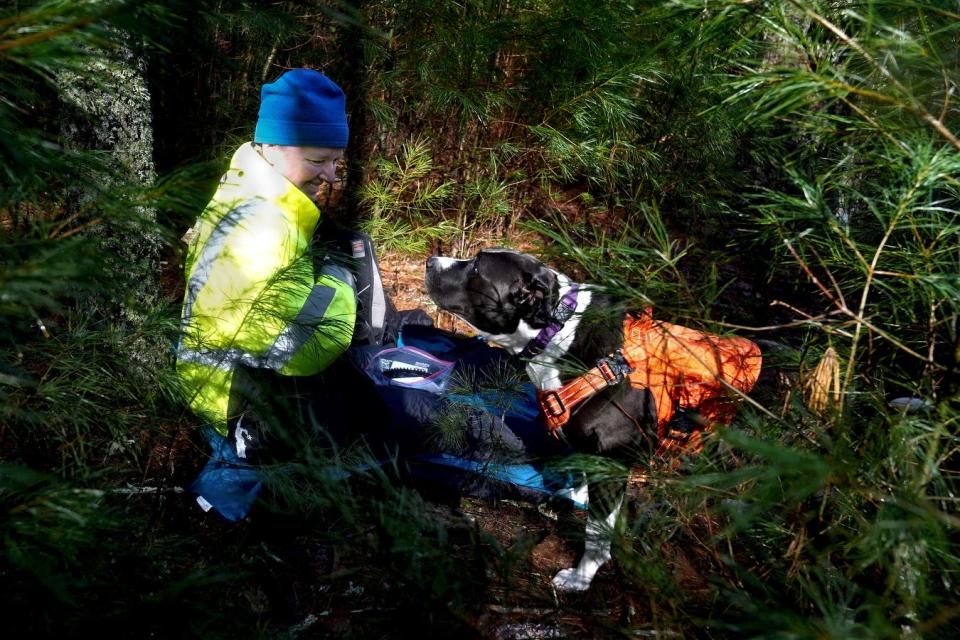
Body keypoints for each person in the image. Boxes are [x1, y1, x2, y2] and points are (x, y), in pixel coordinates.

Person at [176, 68, 360, 469]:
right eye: (318, 160)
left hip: (207, 386)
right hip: (230, 409)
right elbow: (299, 350)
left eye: (336, 161)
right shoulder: (264, 226)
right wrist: (340, 277)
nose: (330, 176)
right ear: (274, 146)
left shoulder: (243, 188)